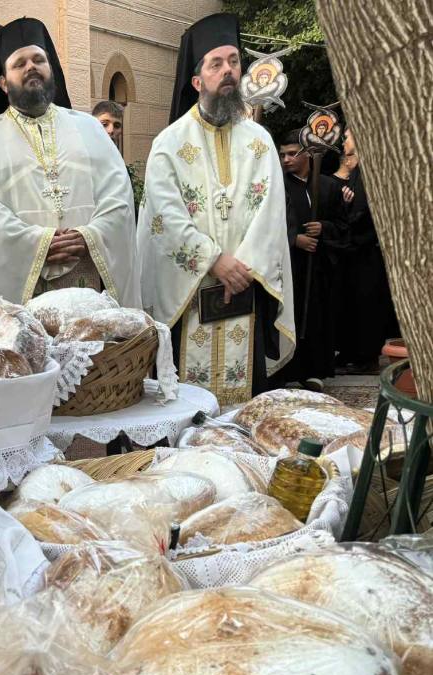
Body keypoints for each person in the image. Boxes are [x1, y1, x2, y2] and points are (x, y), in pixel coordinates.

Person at [137, 13, 295, 406]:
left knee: (245, 412)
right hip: (189, 297)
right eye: (216, 63)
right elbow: (164, 217)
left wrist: (240, 269)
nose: (228, 70)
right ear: (196, 81)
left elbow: (271, 214)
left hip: (246, 290)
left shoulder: (260, 142)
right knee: (186, 411)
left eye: (234, 61)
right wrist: (213, 260)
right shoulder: (169, 144)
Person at [0, 18, 139, 310]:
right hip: (20, 299)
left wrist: (89, 236)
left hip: (86, 282)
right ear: (3, 82)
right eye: (19, 63)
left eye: (39, 60)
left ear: (51, 69)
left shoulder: (90, 129)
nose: (31, 67)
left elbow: (118, 196)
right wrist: (37, 244)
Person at [276, 131, 347, 390]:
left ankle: (314, 371)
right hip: (289, 265)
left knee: (317, 315)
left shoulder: (329, 186)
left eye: (292, 153)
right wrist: (294, 238)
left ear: (307, 154)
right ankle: (285, 369)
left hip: (318, 267)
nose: (286, 159)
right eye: (282, 154)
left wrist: (324, 228)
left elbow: (343, 225)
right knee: (288, 314)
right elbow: (268, 222)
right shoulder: (277, 185)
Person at [333, 126, 398, 372]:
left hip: (366, 249)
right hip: (355, 250)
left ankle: (366, 357)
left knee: (366, 304)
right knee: (352, 303)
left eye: (347, 137)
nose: (344, 143)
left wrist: (347, 209)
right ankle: (351, 352)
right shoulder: (358, 171)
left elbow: (365, 212)